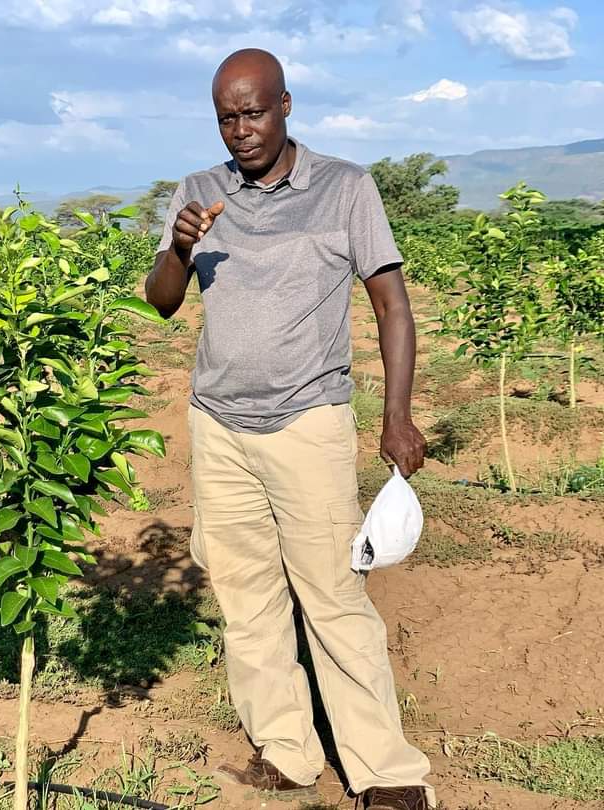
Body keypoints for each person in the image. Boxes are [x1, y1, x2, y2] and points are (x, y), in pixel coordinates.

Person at [144, 49, 434, 810]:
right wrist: (178, 247)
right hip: (219, 427)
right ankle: (288, 749)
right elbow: (163, 302)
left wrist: (397, 413)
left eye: (253, 112)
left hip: (309, 422)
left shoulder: (344, 188)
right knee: (246, 597)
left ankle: (385, 769)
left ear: (286, 105)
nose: (240, 130)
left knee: (333, 593)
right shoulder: (199, 193)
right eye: (226, 118)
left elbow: (391, 306)